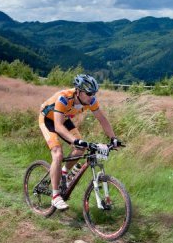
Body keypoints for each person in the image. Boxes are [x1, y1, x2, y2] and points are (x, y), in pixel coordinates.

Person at [39, 74, 122, 210]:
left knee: (81, 147)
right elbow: (58, 127)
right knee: (58, 154)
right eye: (89, 93)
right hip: (48, 119)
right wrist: (75, 140)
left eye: (94, 93)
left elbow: (102, 119)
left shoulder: (91, 101)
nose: (92, 96)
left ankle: (64, 173)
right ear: (78, 91)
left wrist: (113, 138)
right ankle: (55, 197)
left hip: (63, 118)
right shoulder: (64, 98)